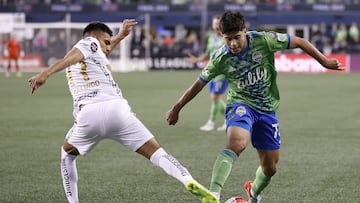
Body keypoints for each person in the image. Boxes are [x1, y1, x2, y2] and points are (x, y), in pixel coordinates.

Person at [28, 20, 219, 203]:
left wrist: (119, 36)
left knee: (67, 154)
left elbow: (91, 52)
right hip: (118, 111)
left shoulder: (93, 54)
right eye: (107, 42)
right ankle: (188, 180)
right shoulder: (88, 42)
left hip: (89, 114)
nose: (109, 47)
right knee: (158, 154)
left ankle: (73, 201)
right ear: (93, 37)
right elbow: (75, 55)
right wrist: (45, 73)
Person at [166, 11, 343, 203]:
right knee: (237, 143)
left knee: (270, 168)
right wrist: (177, 108)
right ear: (222, 37)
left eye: (237, 37)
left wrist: (324, 61)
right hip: (241, 104)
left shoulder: (264, 40)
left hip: (267, 109)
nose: (233, 43)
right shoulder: (220, 57)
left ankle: (254, 192)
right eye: (228, 39)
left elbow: (299, 41)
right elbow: (199, 83)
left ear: (245, 31)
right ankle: (213, 195)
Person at [186, 15, 228, 131]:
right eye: (214, 23)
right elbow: (208, 54)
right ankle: (226, 120)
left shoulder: (226, 38)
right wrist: (197, 59)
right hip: (212, 71)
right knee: (214, 97)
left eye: (217, 23)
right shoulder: (212, 37)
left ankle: (212, 122)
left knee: (215, 96)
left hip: (222, 72)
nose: (215, 26)